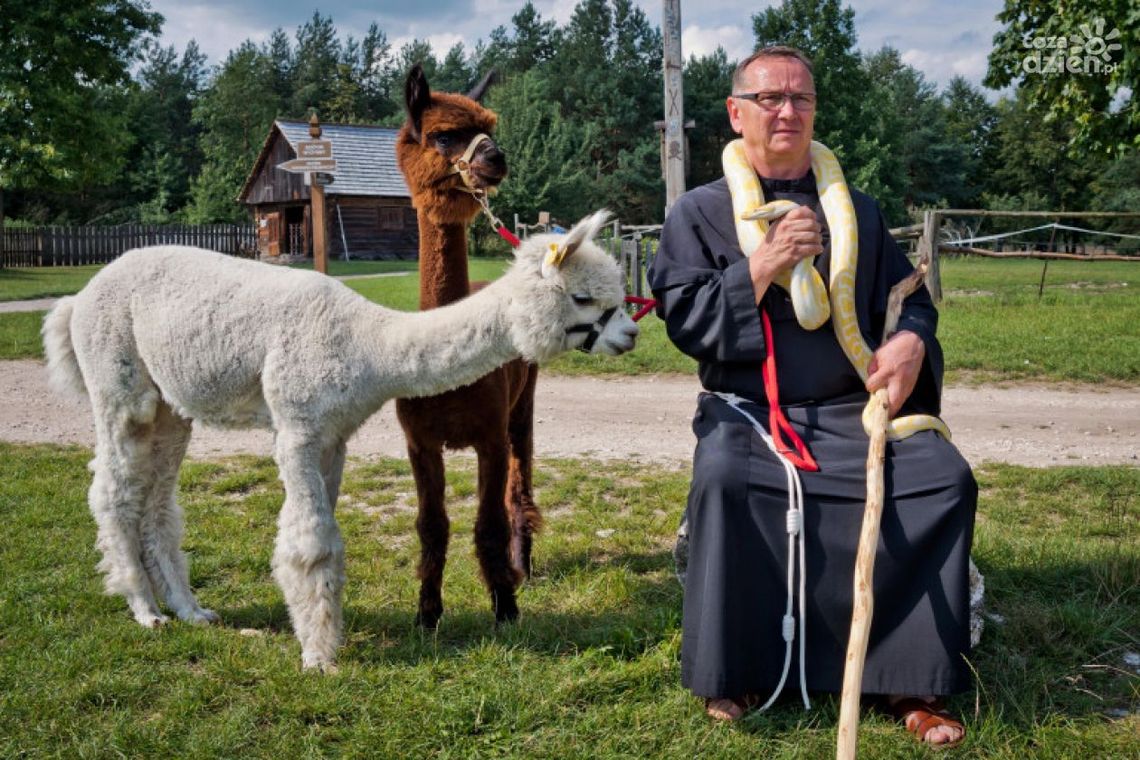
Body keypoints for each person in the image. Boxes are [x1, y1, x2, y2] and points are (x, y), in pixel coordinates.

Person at [648, 46, 976, 749]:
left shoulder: (853, 208)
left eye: (800, 98)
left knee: (942, 479)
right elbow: (684, 321)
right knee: (726, 477)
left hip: (850, 409)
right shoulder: (698, 213)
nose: (787, 110)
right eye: (769, 98)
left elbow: (908, 301)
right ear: (737, 114)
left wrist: (914, 340)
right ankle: (736, 669)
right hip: (750, 411)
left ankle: (909, 681)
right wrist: (762, 263)